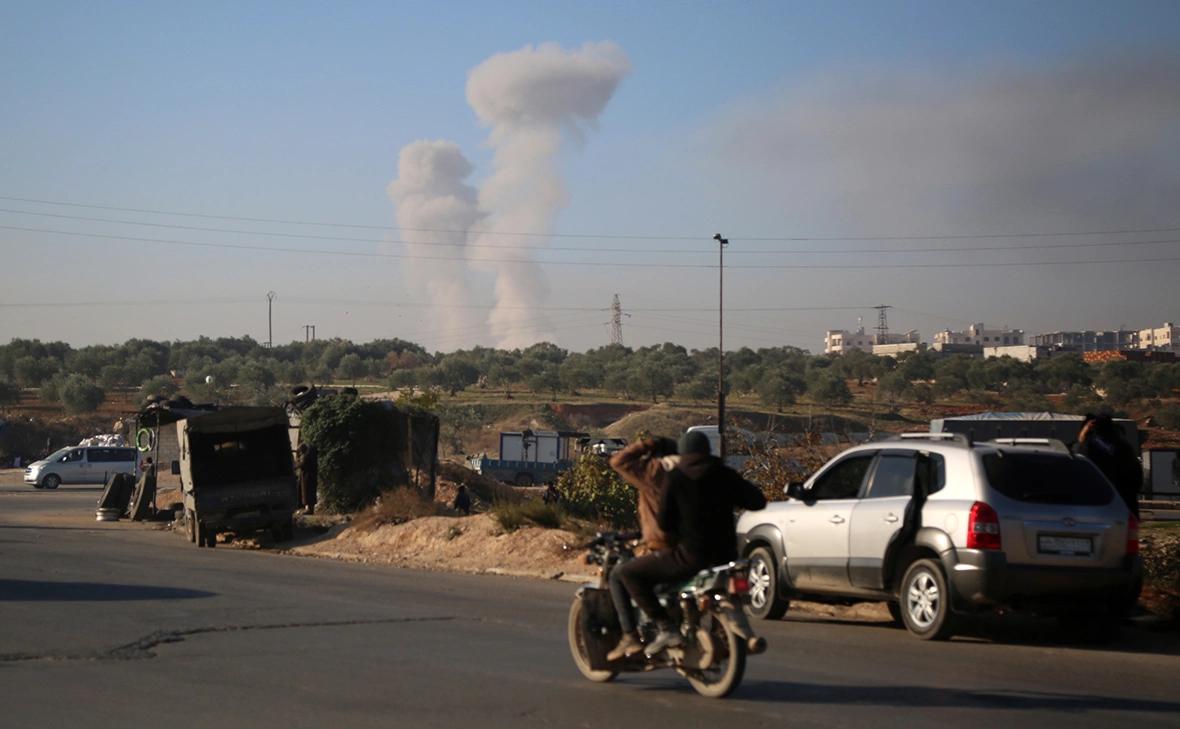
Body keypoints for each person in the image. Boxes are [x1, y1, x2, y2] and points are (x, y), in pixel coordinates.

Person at [608, 430, 767, 660]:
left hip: (691, 556)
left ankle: (665, 627)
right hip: (726, 556)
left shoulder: (676, 478)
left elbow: (665, 522)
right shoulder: (725, 475)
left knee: (627, 573)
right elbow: (757, 501)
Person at [1075, 414, 1141, 518]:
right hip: (1124, 504)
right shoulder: (1124, 448)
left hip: (1096, 506)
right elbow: (1136, 476)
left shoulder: (1088, 448)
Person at [296, 444, 319, 515]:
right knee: (309, 494)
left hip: (307, 478)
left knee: (308, 494)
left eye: (300, 451)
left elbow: (302, 464)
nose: (300, 453)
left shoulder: (305, 457)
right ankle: (309, 509)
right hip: (309, 478)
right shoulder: (310, 457)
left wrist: (295, 465)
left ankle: (309, 510)